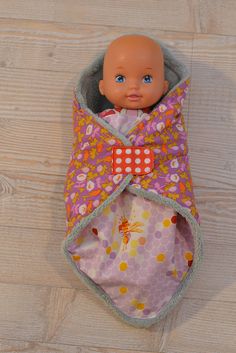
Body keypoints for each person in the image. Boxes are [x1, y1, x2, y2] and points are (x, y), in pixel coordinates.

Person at [98, 34, 169, 134]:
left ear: (164, 87)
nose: (133, 86)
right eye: (120, 78)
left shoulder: (165, 120)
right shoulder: (100, 121)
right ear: (102, 86)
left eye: (147, 78)